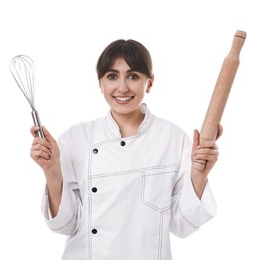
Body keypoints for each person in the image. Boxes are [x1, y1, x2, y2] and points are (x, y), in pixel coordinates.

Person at [30, 39, 223, 260]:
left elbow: (183, 225)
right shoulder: (76, 139)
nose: (122, 87)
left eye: (133, 76)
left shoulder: (172, 138)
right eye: (112, 76)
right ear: (100, 83)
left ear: (149, 83)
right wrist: (52, 170)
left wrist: (200, 173)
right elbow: (64, 224)